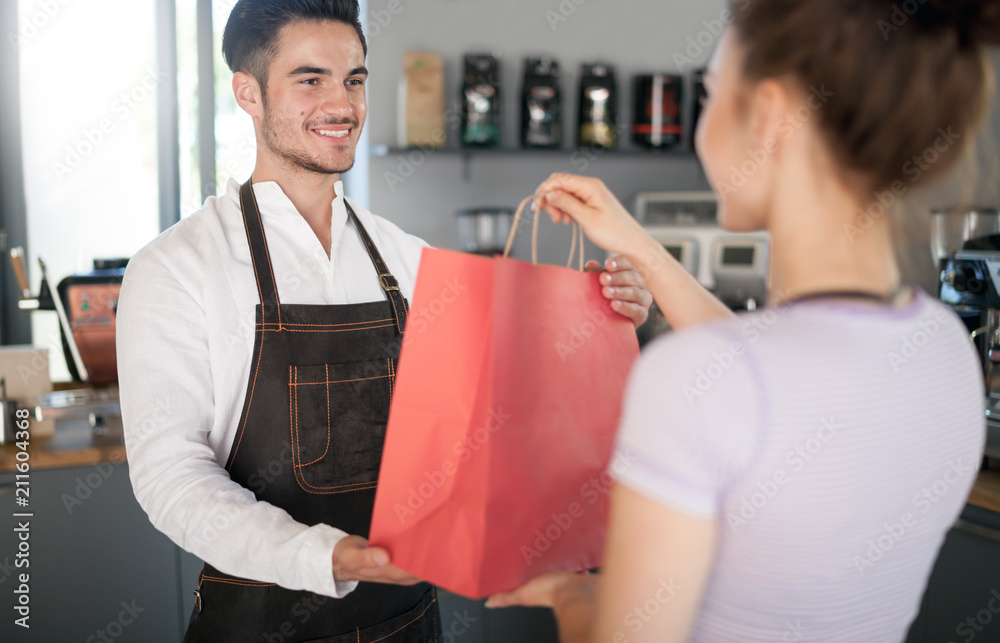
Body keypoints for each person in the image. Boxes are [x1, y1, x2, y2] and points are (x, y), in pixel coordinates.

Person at [115, 1, 651, 641]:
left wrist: (604, 316)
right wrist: (325, 556)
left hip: (409, 619)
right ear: (247, 94)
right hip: (260, 625)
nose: (342, 105)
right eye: (310, 80)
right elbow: (170, 475)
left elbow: (496, 411)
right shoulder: (176, 267)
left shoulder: (408, 256)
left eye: (356, 80)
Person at [486, 1, 1000, 641]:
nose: (702, 124)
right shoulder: (945, 346)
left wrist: (574, 595)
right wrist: (643, 249)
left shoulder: (697, 380)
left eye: (707, 94)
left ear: (769, 116)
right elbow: (763, 377)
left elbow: (741, 382)